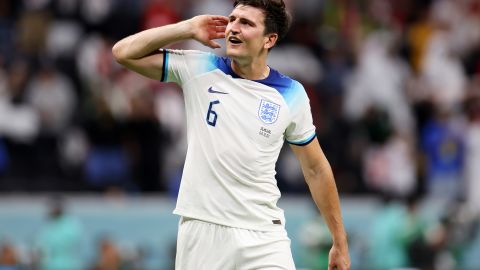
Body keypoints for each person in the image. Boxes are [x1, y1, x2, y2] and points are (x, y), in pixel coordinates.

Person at [112, 0, 350, 269]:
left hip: (264, 235)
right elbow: (123, 53)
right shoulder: (199, 68)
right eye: (232, 19)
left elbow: (316, 169)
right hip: (203, 230)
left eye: (246, 23)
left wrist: (339, 241)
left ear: (269, 39)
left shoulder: (291, 94)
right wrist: (186, 28)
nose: (233, 28)